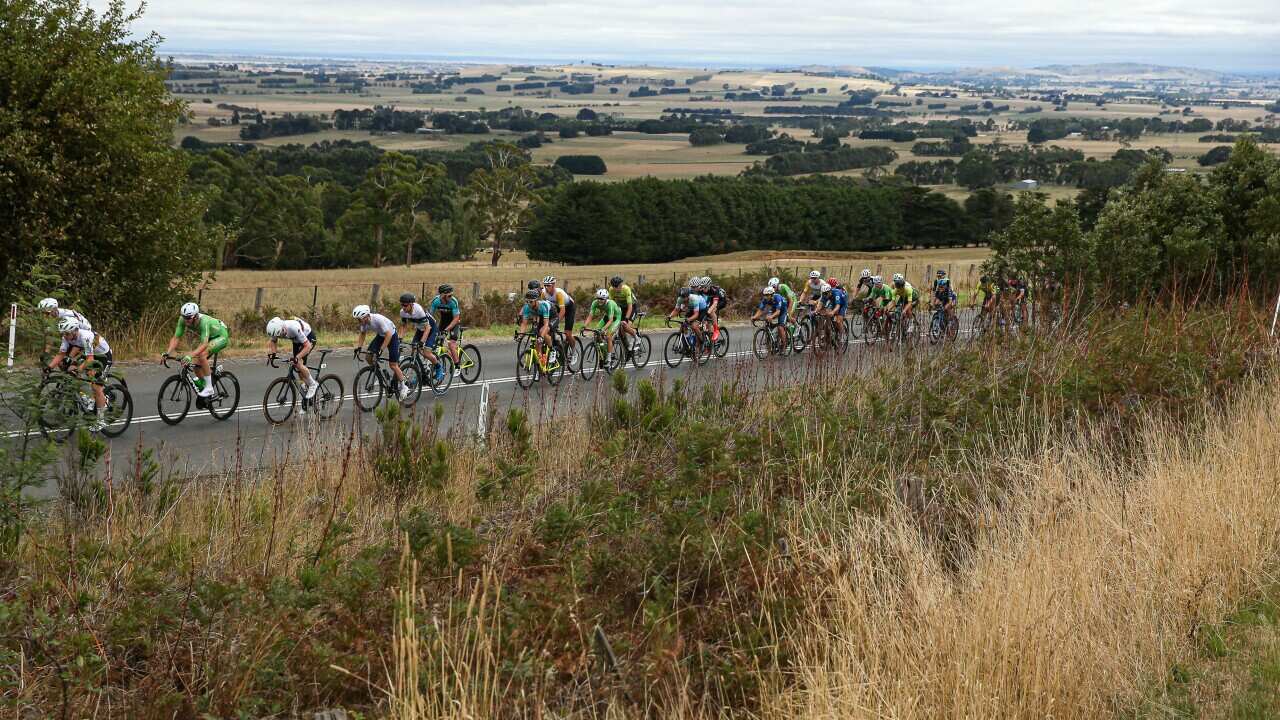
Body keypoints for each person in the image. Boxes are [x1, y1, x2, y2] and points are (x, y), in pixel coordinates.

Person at [48, 317, 112, 431]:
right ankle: (85, 397)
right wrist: (48, 367)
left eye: (67, 334)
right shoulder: (67, 337)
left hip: (103, 356)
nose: (65, 336)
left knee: (96, 387)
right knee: (70, 368)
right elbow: (60, 354)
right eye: (63, 334)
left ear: (74, 331)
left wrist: (79, 369)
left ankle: (100, 420)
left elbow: (90, 359)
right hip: (90, 353)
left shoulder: (85, 336)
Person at [164, 302, 230, 408]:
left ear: (195, 316)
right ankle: (205, 382)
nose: (186, 320)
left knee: (201, 355)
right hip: (208, 338)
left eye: (189, 318)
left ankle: (209, 388)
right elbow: (176, 337)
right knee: (194, 362)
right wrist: (168, 352)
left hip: (220, 336)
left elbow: (204, 344)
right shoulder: (183, 320)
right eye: (184, 317)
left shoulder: (204, 322)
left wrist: (190, 355)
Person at [353, 304, 408, 400]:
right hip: (381, 336)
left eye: (359, 319)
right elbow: (362, 334)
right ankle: (380, 375)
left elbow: (388, 335)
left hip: (392, 336)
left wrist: (380, 350)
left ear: (366, 316)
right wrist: (359, 348)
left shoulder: (378, 319)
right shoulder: (364, 323)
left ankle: (404, 386)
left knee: (393, 365)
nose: (358, 321)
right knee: (368, 357)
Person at [265, 316, 319, 400]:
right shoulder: (276, 329)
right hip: (296, 340)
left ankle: (313, 384)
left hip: (308, 337)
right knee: (298, 370)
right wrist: (273, 355)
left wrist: (297, 358)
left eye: (280, 334)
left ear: (283, 328)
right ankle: (306, 400)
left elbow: (307, 346)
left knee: (297, 363)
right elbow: (273, 341)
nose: (280, 336)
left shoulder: (293, 328)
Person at [398, 292, 444, 383]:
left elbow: (428, 328)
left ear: (411, 304)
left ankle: (439, 367)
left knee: (426, 352)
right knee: (414, 350)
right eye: (402, 305)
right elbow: (403, 326)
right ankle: (421, 373)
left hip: (431, 328)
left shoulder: (418, 311)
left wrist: (422, 342)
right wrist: (400, 339)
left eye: (405, 305)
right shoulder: (403, 312)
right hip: (420, 328)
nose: (403, 307)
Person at [541, 276, 577, 367]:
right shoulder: (543, 293)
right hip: (555, 308)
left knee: (567, 333)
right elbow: (544, 308)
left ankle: (574, 352)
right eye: (545, 285)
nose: (546, 287)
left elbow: (562, 311)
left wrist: (555, 323)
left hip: (569, 308)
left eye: (548, 285)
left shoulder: (559, 293)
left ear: (553, 285)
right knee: (547, 328)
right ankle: (555, 347)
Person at [517, 289, 556, 369]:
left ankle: (552, 351)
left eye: (530, 302)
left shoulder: (543, 306)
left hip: (552, 315)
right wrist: (520, 335)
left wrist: (541, 336)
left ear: (536, 301)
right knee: (537, 342)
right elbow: (524, 324)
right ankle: (541, 365)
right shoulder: (527, 307)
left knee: (542, 332)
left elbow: (546, 324)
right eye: (527, 301)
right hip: (540, 316)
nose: (528, 304)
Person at [430, 284, 463, 374]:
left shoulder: (453, 301)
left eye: (452, 295)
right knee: (437, 344)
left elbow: (456, 318)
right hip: (443, 322)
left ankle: (457, 366)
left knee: (451, 344)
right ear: (442, 295)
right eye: (449, 296)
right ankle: (447, 357)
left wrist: (447, 330)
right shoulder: (436, 301)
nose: (451, 297)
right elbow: (430, 316)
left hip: (454, 322)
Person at [583, 288, 622, 358]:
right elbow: (590, 316)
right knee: (596, 332)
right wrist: (584, 326)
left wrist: (603, 329)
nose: (599, 300)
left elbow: (611, 320)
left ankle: (609, 358)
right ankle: (603, 351)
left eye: (602, 299)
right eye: (598, 298)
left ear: (606, 299)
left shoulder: (610, 304)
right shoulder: (595, 303)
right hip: (607, 316)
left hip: (616, 318)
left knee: (608, 335)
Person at [608, 275, 638, 352]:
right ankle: (627, 347)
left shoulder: (626, 289)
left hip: (632, 307)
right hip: (621, 308)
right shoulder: (611, 290)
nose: (621, 286)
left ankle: (636, 337)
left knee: (625, 326)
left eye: (621, 284)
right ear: (614, 287)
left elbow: (630, 307)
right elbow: (612, 304)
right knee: (621, 331)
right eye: (620, 285)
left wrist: (626, 319)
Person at [700, 277, 727, 342]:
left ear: (709, 286)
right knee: (707, 319)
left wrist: (708, 312)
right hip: (712, 299)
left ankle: (716, 329)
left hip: (721, 300)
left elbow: (715, 304)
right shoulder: (701, 290)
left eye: (705, 287)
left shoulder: (714, 290)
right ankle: (710, 342)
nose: (703, 289)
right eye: (702, 287)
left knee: (711, 311)